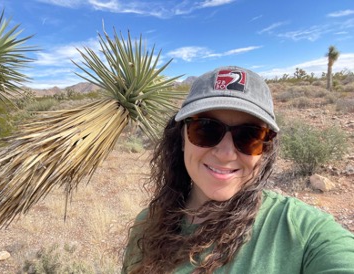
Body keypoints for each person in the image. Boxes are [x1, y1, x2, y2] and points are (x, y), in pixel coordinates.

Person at [122, 66, 354, 273]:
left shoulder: (301, 231)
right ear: (182, 137)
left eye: (249, 136)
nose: (225, 153)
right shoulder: (147, 226)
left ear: (266, 149)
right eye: (205, 129)